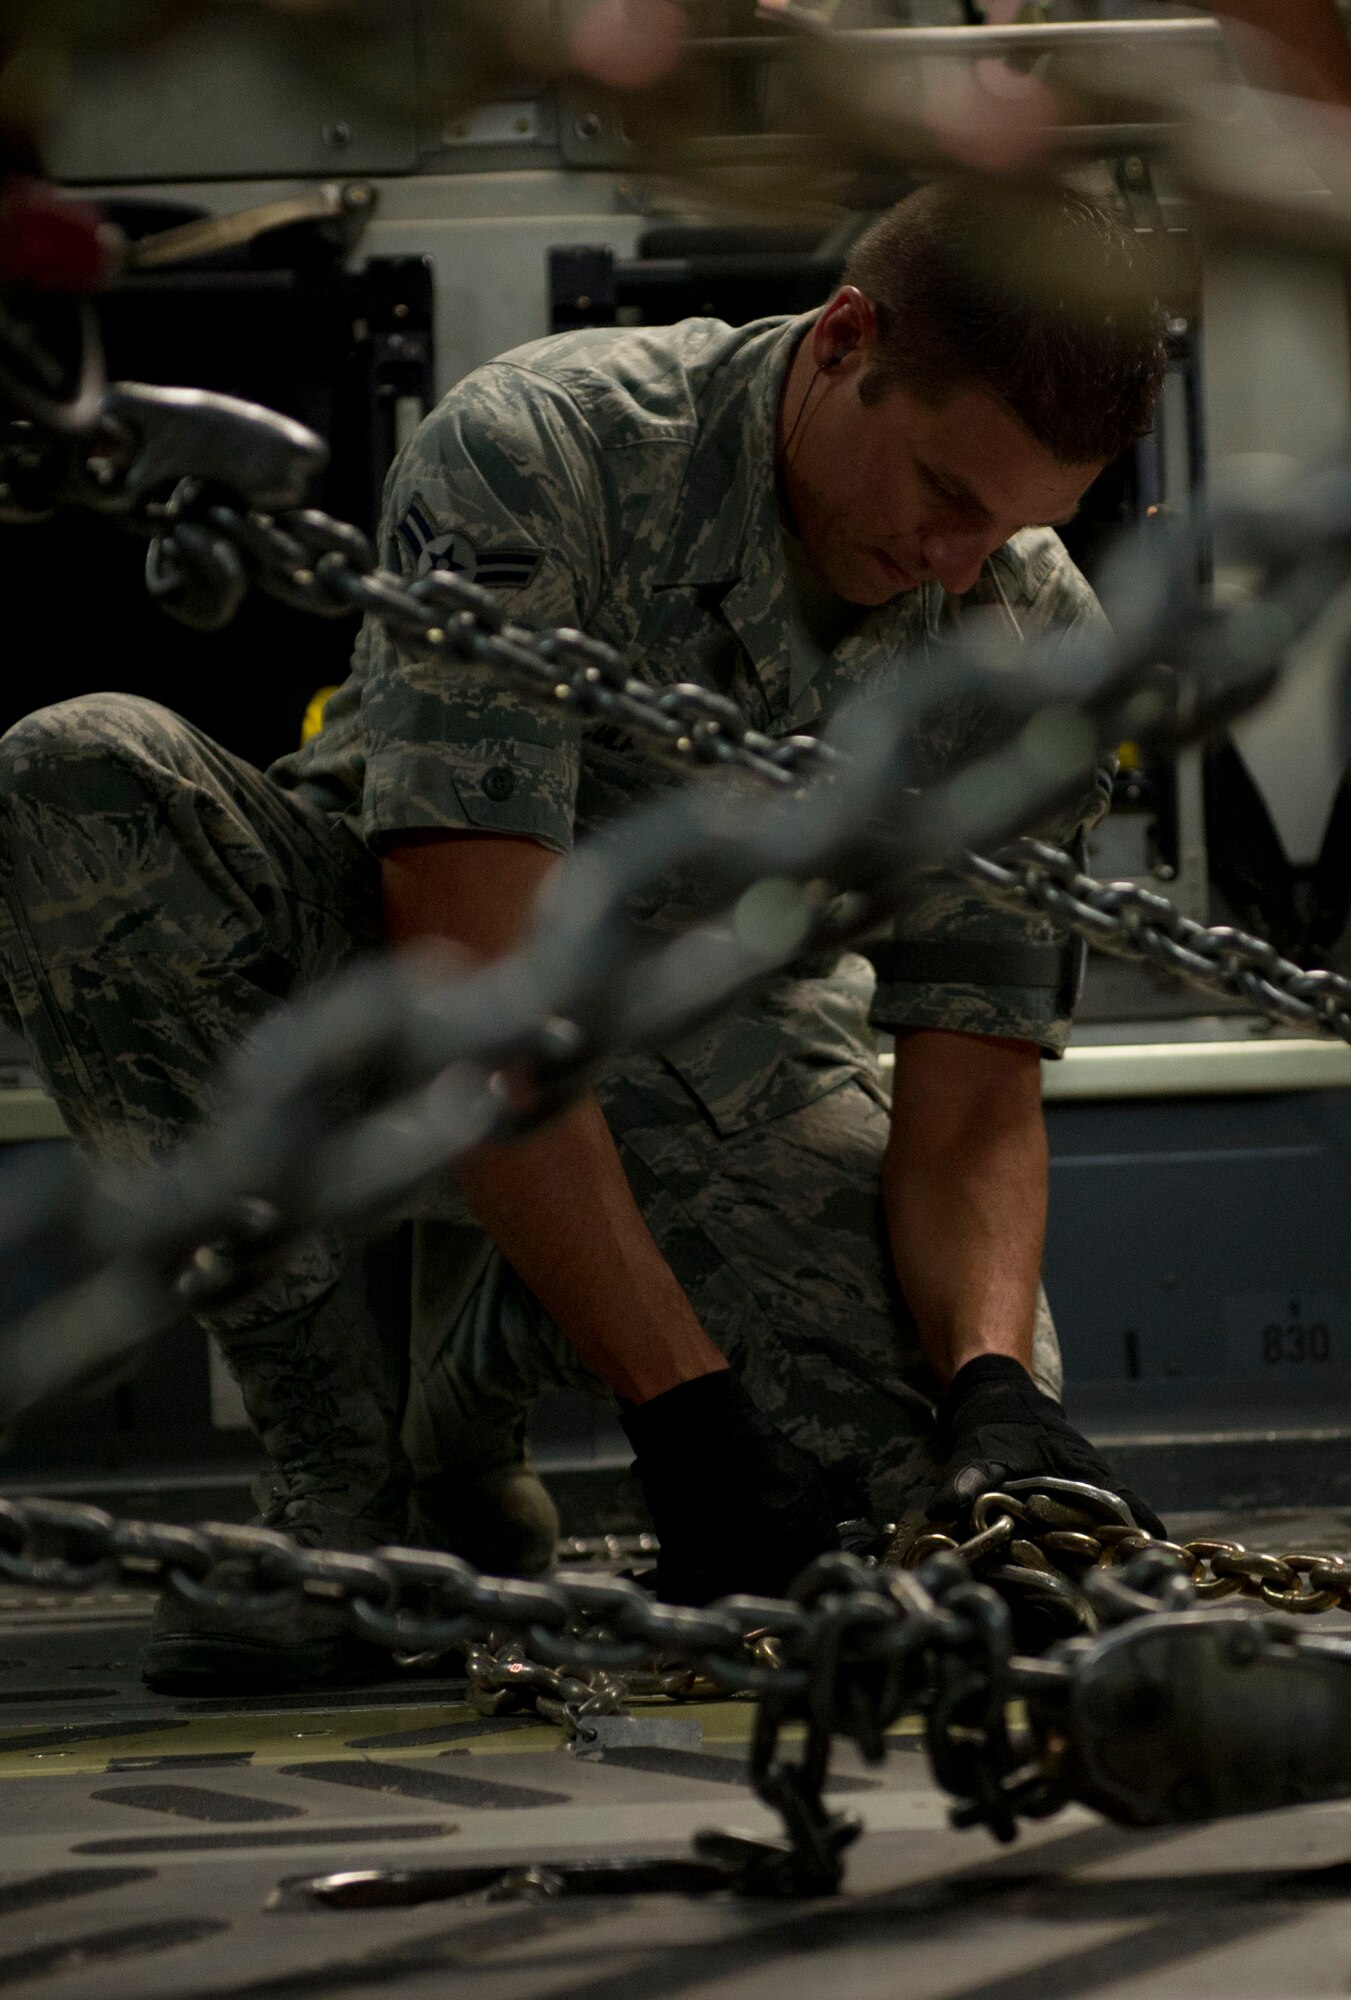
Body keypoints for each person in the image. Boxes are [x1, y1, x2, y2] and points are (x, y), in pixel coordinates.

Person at [0, 179, 1167, 1693]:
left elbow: (974, 1099)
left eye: (1017, 521)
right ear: (845, 341)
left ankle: (465, 1390)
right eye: (949, 492)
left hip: (717, 1061)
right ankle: (345, 1489)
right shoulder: (546, 451)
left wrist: (993, 1382)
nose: (967, 557)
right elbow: (468, 983)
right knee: (77, 773)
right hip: (379, 991)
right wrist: (690, 1420)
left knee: (927, 1518)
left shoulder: (1031, 631)